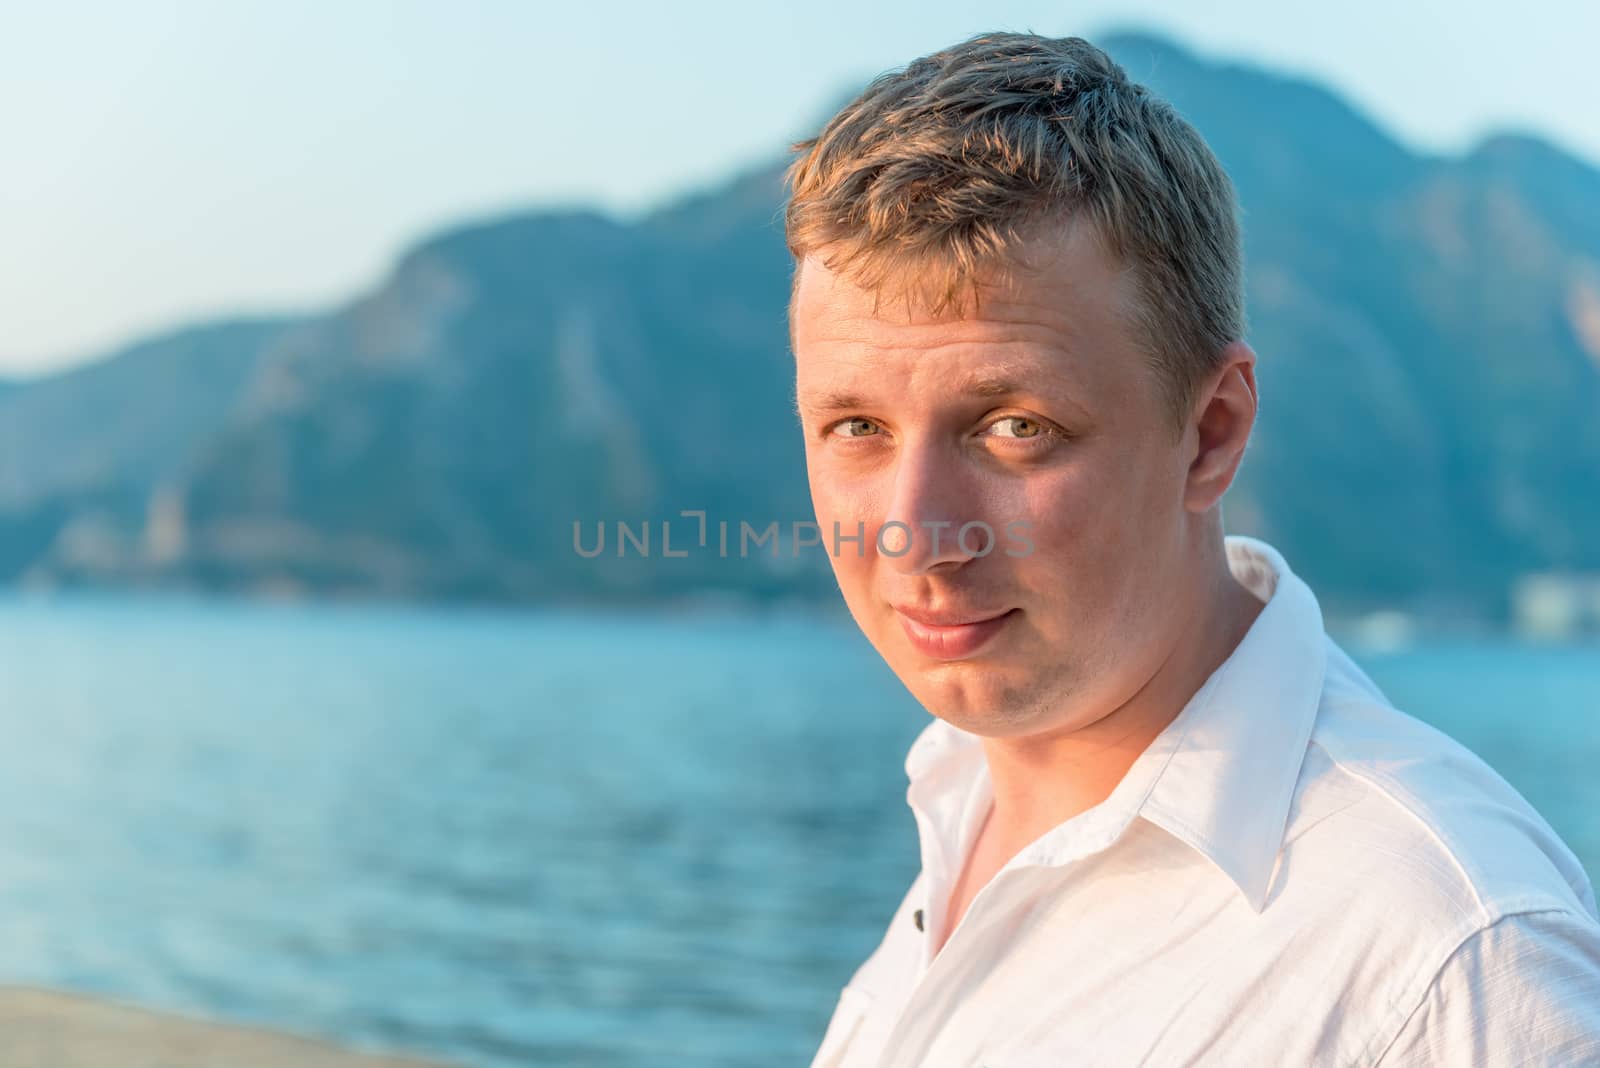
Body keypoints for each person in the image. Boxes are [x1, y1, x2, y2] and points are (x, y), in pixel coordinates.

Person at [784, 31, 1600, 1067]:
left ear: (1211, 433)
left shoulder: (1450, 961)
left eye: (1014, 427)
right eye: (856, 428)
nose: (914, 534)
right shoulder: (965, 804)